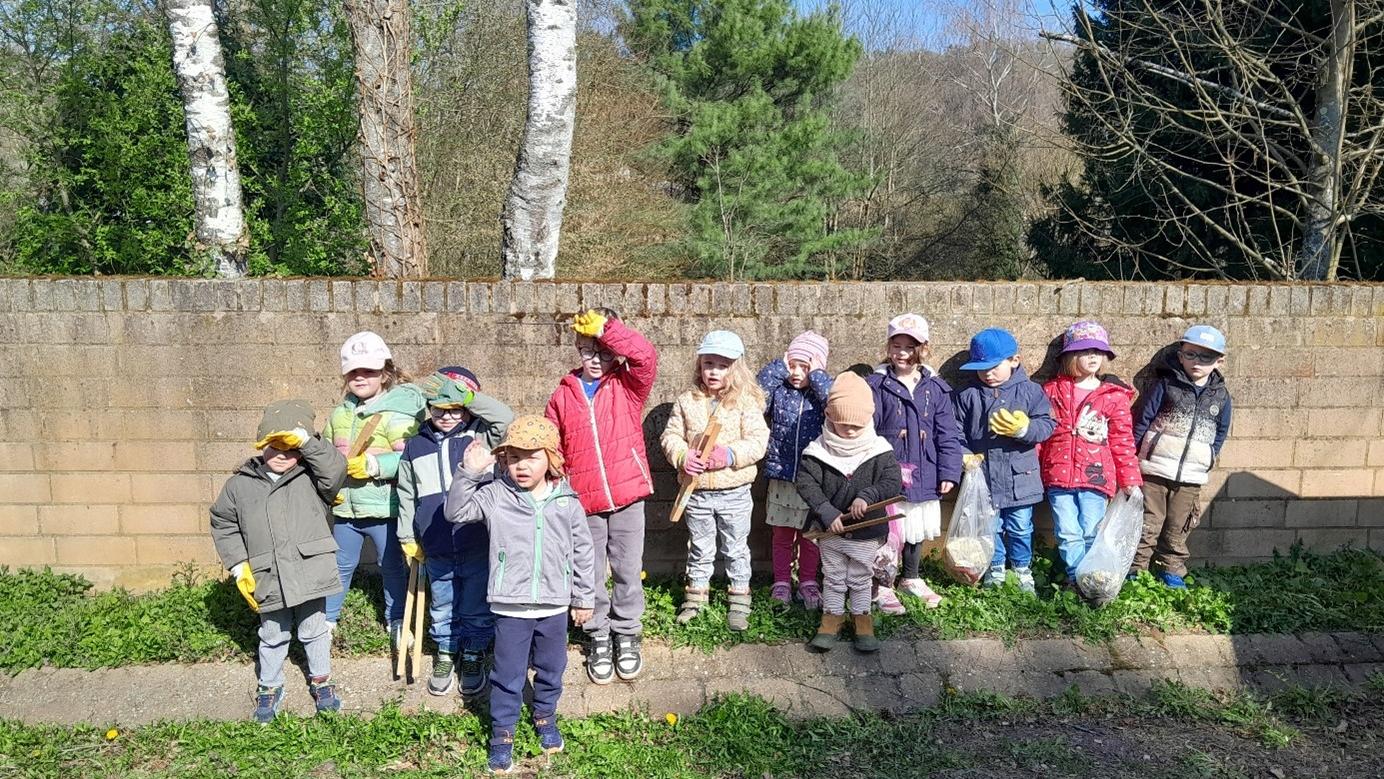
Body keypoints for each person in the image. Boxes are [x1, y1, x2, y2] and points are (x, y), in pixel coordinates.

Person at [444, 415, 595, 774]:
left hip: (554, 605)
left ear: (551, 459)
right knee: (508, 674)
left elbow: (583, 552)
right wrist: (469, 472)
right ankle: (502, 734)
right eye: (513, 458)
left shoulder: (567, 501)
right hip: (510, 606)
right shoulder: (495, 495)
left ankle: (545, 715)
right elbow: (456, 511)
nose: (521, 465)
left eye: (531, 457)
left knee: (551, 667)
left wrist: (584, 597)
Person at [209, 400, 348, 723]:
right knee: (272, 633)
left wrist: (307, 442)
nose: (283, 455)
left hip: (309, 569)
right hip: (266, 573)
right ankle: (269, 685)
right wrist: (238, 564)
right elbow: (223, 523)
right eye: (275, 446)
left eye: (291, 448)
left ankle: (321, 680)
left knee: (314, 630)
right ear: (262, 444)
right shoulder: (239, 485)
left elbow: (336, 469)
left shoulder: (313, 478)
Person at [545, 308, 657, 684]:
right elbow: (551, 445)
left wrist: (609, 330)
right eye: (588, 351)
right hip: (584, 503)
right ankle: (597, 633)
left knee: (627, 569)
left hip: (627, 495)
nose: (596, 360)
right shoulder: (562, 395)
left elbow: (646, 355)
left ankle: (626, 633)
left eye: (605, 351)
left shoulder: (628, 385)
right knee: (588, 573)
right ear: (577, 348)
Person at [397, 367, 513, 697]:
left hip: (476, 539)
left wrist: (469, 396)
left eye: (455, 410)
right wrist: (406, 535)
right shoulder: (414, 445)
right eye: (439, 409)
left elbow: (504, 418)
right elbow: (406, 492)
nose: (447, 416)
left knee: (476, 602)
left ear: (465, 409)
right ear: (428, 408)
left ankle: (474, 652)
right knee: (442, 603)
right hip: (435, 544)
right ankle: (446, 652)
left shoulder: (479, 438)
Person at [660, 330, 769, 632]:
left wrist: (730, 455)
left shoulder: (745, 402)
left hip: (734, 491)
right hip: (695, 492)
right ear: (699, 365)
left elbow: (759, 441)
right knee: (699, 546)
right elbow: (670, 436)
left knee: (735, 547)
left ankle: (739, 598)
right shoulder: (686, 401)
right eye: (708, 364)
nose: (713, 371)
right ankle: (695, 598)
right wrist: (683, 457)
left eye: (722, 365)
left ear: (735, 368)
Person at [322, 331, 425, 647]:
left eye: (368, 370)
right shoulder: (339, 414)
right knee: (339, 565)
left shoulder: (395, 413)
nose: (360, 377)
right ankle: (327, 621)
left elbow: (409, 458)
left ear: (385, 373)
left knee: (391, 566)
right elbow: (326, 452)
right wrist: (328, 484)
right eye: (353, 371)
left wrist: (374, 466)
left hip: (384, 509)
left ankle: (396, 621)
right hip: (346, 508)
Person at [796, 372, 902, 653]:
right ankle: (831, 618)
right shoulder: (817, 451)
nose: (851, 431)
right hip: (830, 530)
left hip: (866, 532)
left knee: (860, 576)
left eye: (857, 425)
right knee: (832, 577)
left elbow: (892, 482)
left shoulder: (878, 450)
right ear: (829, 415)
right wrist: (826, 512)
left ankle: (861, 618)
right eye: (843, 425)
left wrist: (868, 496)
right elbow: (806, 483)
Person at [866, 314, 963, 610]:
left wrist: (949, 471)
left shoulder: (936, 388)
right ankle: (882, 584)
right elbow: (867, 427)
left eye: (909, 347)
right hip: (889, 468)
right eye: (896, 346)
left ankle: (911, 577)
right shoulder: (876, 385)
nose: (902, 353)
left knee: (916, 525)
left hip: (925, 468)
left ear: (923, 349)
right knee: (888, 528)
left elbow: (948, 433)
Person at [953, 328, 1056, 594]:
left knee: (1021, 526)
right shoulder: (967, 395)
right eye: (980, 368)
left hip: (1020, 478)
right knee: (990, 527)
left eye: (993, 366)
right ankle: (995, 566)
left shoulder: (1031, 391)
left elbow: (1047, 425)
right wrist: (964, 454)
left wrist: (1024, 430)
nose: (987, 373)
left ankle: (1022, 569)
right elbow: (954, 431)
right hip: (984, 477)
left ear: (1014, 360)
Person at [1130, 325, 1232, 588]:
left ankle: (1170, 568)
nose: (1197, 362)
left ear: (1219, 360)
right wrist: (1133, 458)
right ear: (1180, 355)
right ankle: (1136, 569)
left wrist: (1208, 457)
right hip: (1154, 469)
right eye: (1191, 354)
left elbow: (1220, 432)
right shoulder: (1166, 385)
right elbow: (1143, 421)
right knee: (1148, 524)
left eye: (1206, 357)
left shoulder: (1220, 396)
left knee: (1179, 526)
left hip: (1191, 476)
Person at [1040, 321, 1143, 580]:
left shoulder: (1114, 396)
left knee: (1091, 530)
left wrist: (1130, 479)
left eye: (1098, 352)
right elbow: (1040, 435)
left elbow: (1123, 440)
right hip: (1058, 475)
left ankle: (1092, 576)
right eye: (1085, 351)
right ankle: (1077, 577)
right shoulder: (1051, 391)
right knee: (1066, 531)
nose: (1093, 357)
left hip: (1095, 476)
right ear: (1070, 356)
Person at [756, 330, 832, 610]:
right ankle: (782, 582)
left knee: (811, 534)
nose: (797, 373)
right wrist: (778, 367)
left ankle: (809, 580)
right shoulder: (779, 390)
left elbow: (834, 405)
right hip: (782, 476)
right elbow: (756, 397)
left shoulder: (820, 393)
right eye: (793, 365)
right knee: (782, 535)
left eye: (805, 367)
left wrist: (819, 376)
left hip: (814, 479)